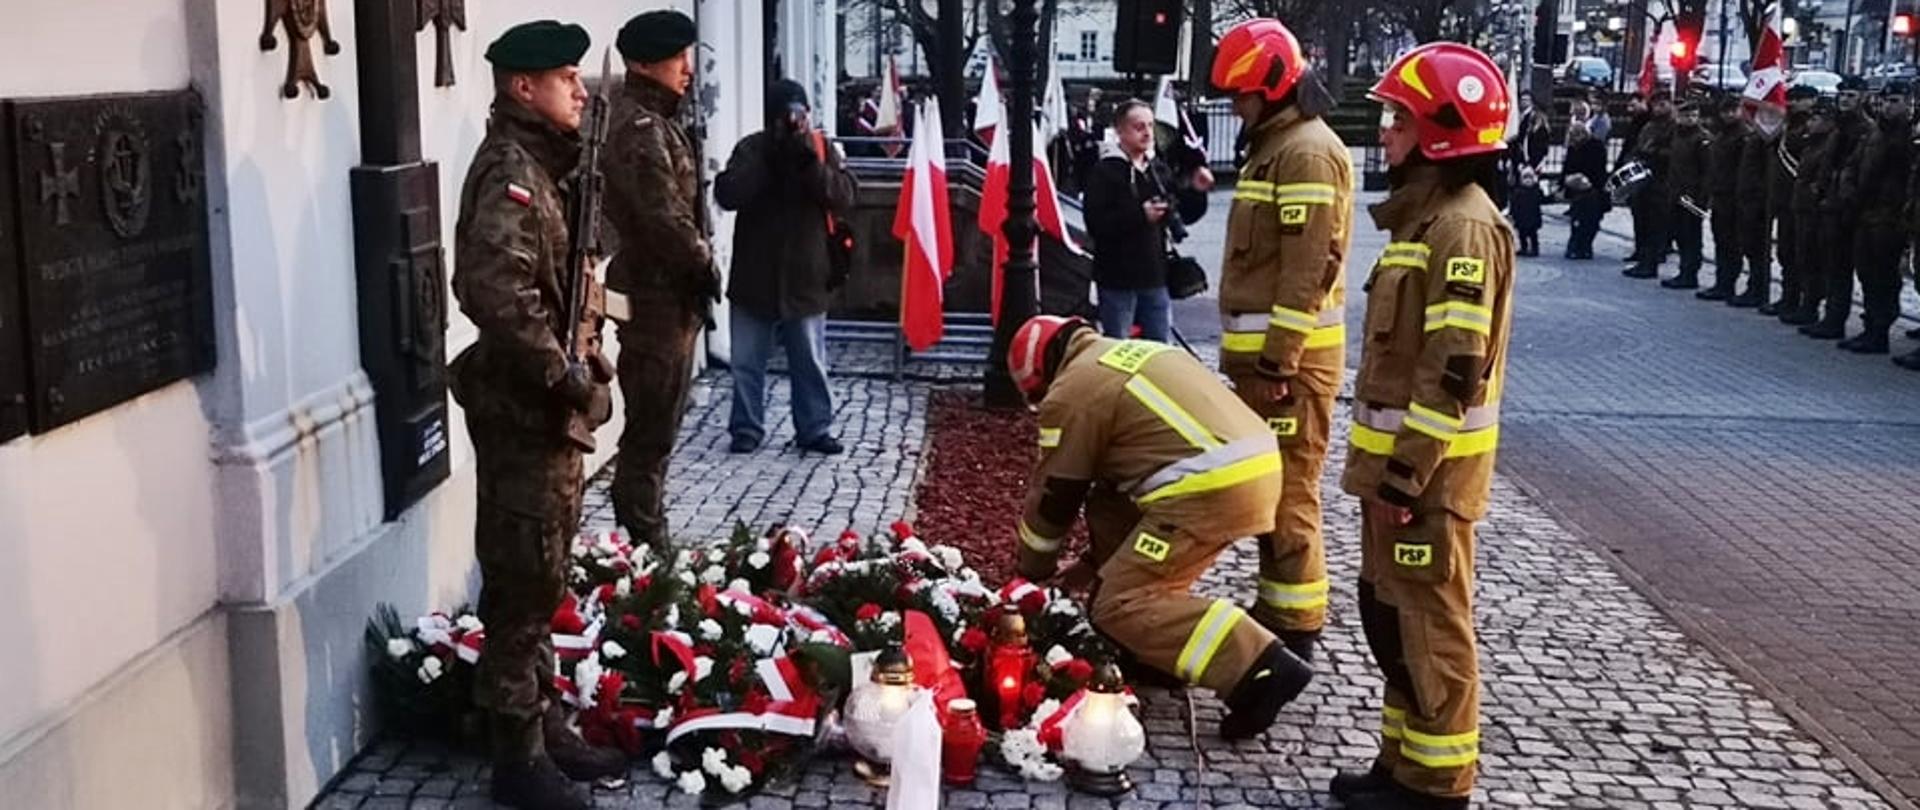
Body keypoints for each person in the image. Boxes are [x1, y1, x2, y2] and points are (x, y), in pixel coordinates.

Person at [1330, 42, 1516, 810]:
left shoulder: (1462, 230)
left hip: (1426, 485)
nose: (1385, 131)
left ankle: (1437, 785)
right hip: (1396, 479)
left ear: (1441, 133)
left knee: (1431, 628)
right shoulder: (1426, 219)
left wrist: (1407, 476)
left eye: (1399, 120)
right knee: (1393, 621)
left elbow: (1452, 370)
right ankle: (1401, 764)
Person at [446, 21, 621, 809]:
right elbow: (494, 291)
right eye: (565, 77)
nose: (579, 89)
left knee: (544, 572)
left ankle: (541, 723)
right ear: (524, 87)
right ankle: (516, 758)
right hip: (523, 409)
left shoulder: (549, 167)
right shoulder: (511, 172)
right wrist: (563, 376)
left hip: (545, 411)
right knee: (521, 583)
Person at [1003, 315, 1311, 740]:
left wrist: (1031, 573)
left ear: (1043, 374)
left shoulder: (1072, 391)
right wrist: (1093, 564)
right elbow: (1114, 491)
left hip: (1205, 489)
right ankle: (1154, 654)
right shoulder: (1132, 352)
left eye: (1038, 397)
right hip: (1248, 470)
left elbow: (1056, 495)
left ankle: (1261, 667)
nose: (1043, 405)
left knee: (1120, 604)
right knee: (1112, 503)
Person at [1208, 17, 1351, 660]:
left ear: (1270, 88)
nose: (1236, 108)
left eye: (1241, 97)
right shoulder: (1278, 146)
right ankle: (1277, 613)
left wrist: (1278, 362)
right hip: (1268, 368)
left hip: (1287, 370)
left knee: (1290, 495)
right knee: (1272, 493)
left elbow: (1308, 268)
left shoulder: (1305, 153)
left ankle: (1297, 631)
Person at [603, 10, 710, 550]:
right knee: (651, 427)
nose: (686, 69)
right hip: (655, 298)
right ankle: (645, 537)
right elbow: (663, 217)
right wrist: (702, 259)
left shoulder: (661, 120)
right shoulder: (641, 127)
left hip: (671, 296)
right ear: (644, 64)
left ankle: (646, 526)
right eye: (676, 58)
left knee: (661, 423)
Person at [714, 79, 858, 455]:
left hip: (806, 277)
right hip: (754, 276)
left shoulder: (821, 149)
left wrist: (808, 162)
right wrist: (769, 158)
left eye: (801, 114)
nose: (795, 122)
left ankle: (814, 428)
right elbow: (728, 194)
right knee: (746, 362)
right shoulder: (752, 148)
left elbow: (843, 195)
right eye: (788, 116)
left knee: (809, 361)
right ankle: (746, 427)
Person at [1082, 99, 1210, 342]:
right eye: (1138, 127)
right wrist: (1140, 215)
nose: (1147, 133)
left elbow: (1184, 215)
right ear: (1120, 131)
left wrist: (1196, 190)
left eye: (1150, 126)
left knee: (1160, 347)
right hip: (1118, 280)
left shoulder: (1157, 170)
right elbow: (1096, 223)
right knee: (1118, 347)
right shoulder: (1105, 172)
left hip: (1154, 277)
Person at [1839, 82, 1912, 353]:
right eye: (1885, 101)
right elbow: (1853, 165)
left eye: (1894, 101)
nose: (1887, 107)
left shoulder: (1908, 137)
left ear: (1907, 103)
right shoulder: (1874, 133)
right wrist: (1849, 192)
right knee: (1867, 273)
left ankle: (1880, 330)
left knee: (1884, 276)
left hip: (1889, 217)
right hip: (1865, 212)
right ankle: (1870, 327)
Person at [1803, 76, 1873, 340]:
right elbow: (1828, 166)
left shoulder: (1866, 130)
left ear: (1863, 98)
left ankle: (1841, 320)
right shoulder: (1838, 128)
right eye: (1842, 95)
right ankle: (1832, 317)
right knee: (1831, 264)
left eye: (1851, 95)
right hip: (1829, 205)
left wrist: (1848, 201)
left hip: (1849, 208)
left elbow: (1860, 172)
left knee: (1846, 267)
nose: (1845, 100)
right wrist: (1821, 191)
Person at [1785, 96, 1837, 326]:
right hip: (1802, 208)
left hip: (1816, 211)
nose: (1810, 123)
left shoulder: (1829, 145)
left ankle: (1813, 306)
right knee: (1803, 258)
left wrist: (1816, 195)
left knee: (1816, 261)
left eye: (1815, 119)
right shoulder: (1810, 143)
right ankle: (1806, 304)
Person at [1727, 96, 1782, 308]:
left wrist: (1761, 194)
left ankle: (1759, 289)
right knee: (1749, 244)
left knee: (1758, 246)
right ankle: (1753, 286)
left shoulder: (1769, 139)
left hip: (1760, 199)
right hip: (1746, 196)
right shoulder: (1753, 137)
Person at [1767, 86, 1817, 317]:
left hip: (1803, 201)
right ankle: (1789, 297)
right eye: (1790, 99)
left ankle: (1804, 303)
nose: (1792, 103)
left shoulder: (1812, 128)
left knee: (1803, 255)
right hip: (1784, 198)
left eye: (1799, 99)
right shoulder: (1787, 126)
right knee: (1786, 252)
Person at [1696, 95, 1748, 295]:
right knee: (1721, 239)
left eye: (1734, 110)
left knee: (1731, 242)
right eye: (1726, 111)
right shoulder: (1721, 134)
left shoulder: (1743, 136)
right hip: (1719, 193)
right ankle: (1721, 282)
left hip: (1734, 195)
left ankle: (1728, 283)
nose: (1730, 115)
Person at [1658, 95, 1710, 290]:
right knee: (1679, 233)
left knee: (1691, 235)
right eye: (1686, 115)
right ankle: (1684, 270)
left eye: (1694, 115)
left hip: (1693, 195)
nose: (1690, 119)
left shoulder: (1702, 139)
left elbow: (1707, 171)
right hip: (1676, 191)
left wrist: (1701, 197)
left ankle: (1690, 273)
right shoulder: (1676, 135)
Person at [1623, 91, 1675, 279]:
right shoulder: (1650, 126)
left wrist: (1653, 153)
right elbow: (1637, 148)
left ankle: (1651, 261)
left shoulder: (1673, 127)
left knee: (1655, 224)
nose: (1658, 109)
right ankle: (1642, 257)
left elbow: (1673, 154)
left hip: (1661, 181)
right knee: (1642, 220)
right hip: (1643, 179)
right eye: (1656, 105)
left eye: (1663, 104)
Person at [1561, 121, 1610, 259]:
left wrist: (1588, 181)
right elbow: (1567, 167)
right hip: (1578, 189)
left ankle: (1586, 246)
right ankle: (1575, 246)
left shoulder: (1596, 146)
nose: (1575, 138)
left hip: (1594, 188)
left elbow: (1600, 169)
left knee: (1592, 221)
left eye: (1577, 135)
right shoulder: (1573, 148)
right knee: (1577, 220)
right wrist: (1568, 180)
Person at [1615, 94, 1652, 263]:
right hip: (1633, 168)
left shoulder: (1648, 123)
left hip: (1644, 172)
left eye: (1633, 105)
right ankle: (1640, 249)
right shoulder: (1636, 121)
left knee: (1646, 216)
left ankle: (1648, 251)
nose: (1630, 109)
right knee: (1637, 212)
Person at [1510, 166, 1542, 257]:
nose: (1528, 181)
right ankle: (1524, 247)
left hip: (1533, 217)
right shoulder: (1518, 192)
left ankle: (1535, 249)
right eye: (1525, 178)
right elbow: (1514, 204)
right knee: (1522, 234)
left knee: (1533, 235)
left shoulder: (1536, 191)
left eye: (1530, 178)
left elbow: (1542, 200)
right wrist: (1513, 214)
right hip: (1521, 218)